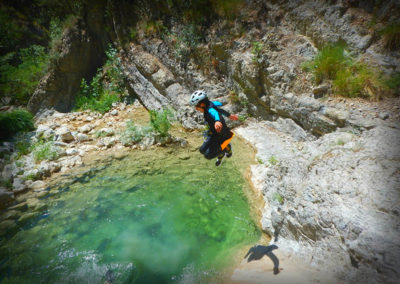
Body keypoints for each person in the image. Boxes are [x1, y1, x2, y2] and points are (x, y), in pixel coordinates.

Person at [190, 90, 238, 166]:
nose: (196, 109)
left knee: (207, 155)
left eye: (196, 106)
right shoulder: (208, 105)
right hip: (214, 134)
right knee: (202, 150)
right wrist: (229, 115)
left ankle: (226, 149)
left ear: (202, 104)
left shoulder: (210, 110)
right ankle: (222, 150)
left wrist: (217, 121)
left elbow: (215, 113)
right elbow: (219, 110)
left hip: (222, 136)